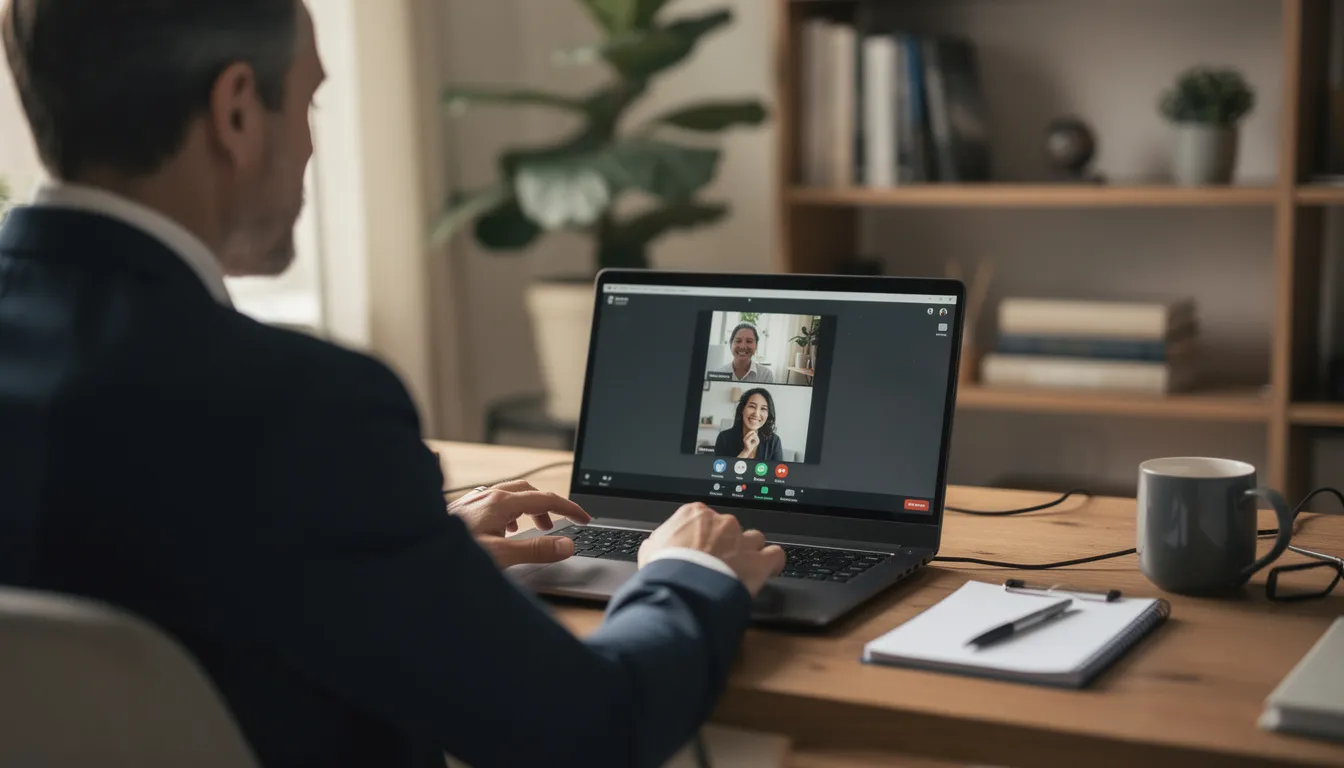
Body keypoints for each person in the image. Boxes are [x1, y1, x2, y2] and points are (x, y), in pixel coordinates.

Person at [0, 3, 785, 767]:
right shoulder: (303, 412)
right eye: (308, 102)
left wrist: (415, 557)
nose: (310, 150)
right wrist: (692, 570)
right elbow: (596, 726)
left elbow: (167, 559)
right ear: (237, 111)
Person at [714, 389, 785, 462]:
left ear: (768, 415)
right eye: (752, 406)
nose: (756, 414)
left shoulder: (774, 441)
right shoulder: (724, 438)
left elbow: (778, 472)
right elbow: (721, 472)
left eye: (763, 408)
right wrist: (746, 451)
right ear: (742, 409)